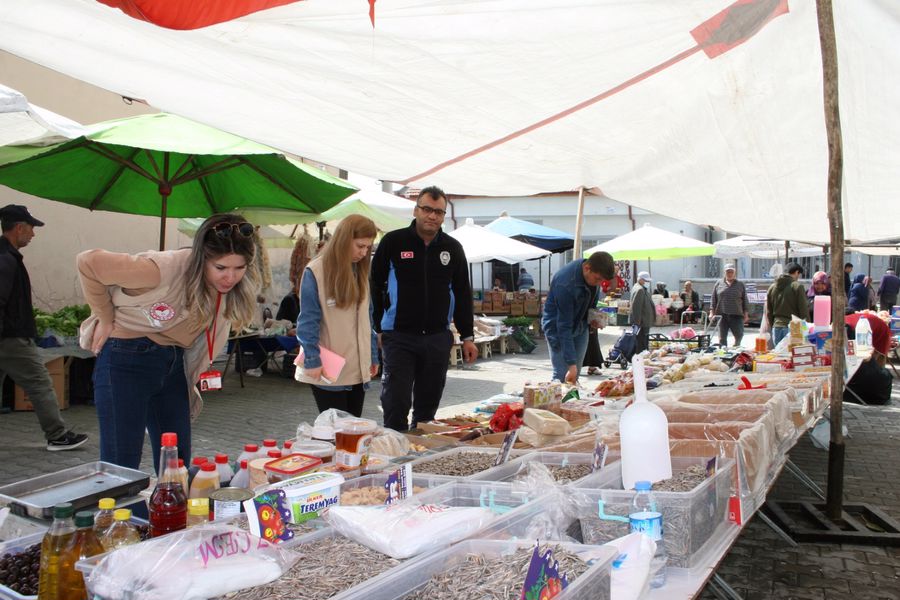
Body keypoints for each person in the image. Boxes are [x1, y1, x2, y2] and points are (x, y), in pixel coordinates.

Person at [77, 213, 260, 472]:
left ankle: (171, 511)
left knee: (176, 462)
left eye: (239, 268)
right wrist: (105, 318)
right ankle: (117, 512)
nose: (230, 277)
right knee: (121, 463)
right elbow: (88, 262)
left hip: (171, 361)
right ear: (202, 258)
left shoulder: (227, 287)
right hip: (126, 358)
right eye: (221, 268)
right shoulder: (160, 268)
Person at [371, 186, 477, 431]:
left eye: (439, 212)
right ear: (416, 210)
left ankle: (419, 452)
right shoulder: (393, 242)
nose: (433, 216)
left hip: (437, 338)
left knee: (427, 407)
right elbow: (375, 286)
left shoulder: (453, 248)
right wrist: (378, 327)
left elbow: (462, 293)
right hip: (399, 336)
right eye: (427, 209)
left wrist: (468, 336)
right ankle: (395, 447)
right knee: (395, 401)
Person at [0, 205, 88, 451]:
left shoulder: (7, 256)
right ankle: (57, 435)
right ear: (19, 228)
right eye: (31, 228)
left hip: (9, 336)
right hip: (12, 339)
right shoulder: (6, 260)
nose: (33, 234)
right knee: (40, 383)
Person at [295, 215, 379, 417]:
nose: (364, 252)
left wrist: (373, 354)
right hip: (329, 368)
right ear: (344, 239)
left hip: (358, 367)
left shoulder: (360, 270)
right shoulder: (315, 271)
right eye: (360, 246)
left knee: (352, 432)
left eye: (368, 247)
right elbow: (308, 321)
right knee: (335, 433)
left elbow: (368, 318)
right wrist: (312, 359)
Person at [542, 252, 615, 383]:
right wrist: (571, 364)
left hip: (580, 325)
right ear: (587, 268)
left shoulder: (592, 273)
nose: (599, 283)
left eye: (602, 280)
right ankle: (555, 400)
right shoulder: (565, 284)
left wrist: (593, 318)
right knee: (562, 375)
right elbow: (564, 327)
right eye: (598, 279)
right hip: (558, 329)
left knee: (574, 375)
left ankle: (571, 402)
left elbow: (591, 302)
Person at [765, 262, 808, 346]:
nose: (798, 278)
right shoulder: (797, 286)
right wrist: (806, 328)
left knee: (779, 356)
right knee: (791, 356)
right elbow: (803, 310)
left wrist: (773, 324)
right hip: (793, 328)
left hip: (776, 327)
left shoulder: (772, 287)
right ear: (796, 272)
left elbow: (769, 312)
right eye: (798, 275)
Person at [710, 264, 750, 347]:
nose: (730, 274)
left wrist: (746, 314)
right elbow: (713, 299)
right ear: (724, 272)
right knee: (722, 338)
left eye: (731, 272)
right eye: (728, 272)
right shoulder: (718, 283)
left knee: (739, 335)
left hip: (736, 315)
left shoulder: (740, 284)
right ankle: (723, 355)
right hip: (722, 315)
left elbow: (745, 300)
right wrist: (711, 312)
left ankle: (735, 349)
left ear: (734, 273)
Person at [630, 271, 655, 354]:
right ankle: (640, 358)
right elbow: (636, 307)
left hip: (644, 321)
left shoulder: (641, 288)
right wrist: (637, 321)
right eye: (646, 281)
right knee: (641, 343)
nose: (647, 283)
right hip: (642, 322)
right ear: (640, 280)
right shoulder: (640, 290)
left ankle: (641, 357)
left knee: (642, 342)